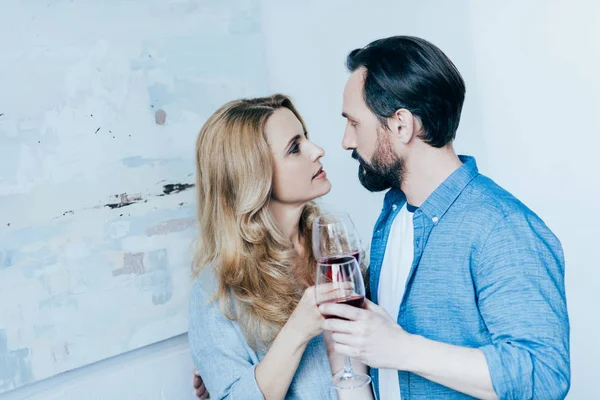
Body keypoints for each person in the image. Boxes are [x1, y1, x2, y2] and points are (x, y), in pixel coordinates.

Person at [319, 36, 570, 399]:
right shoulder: (391, 218)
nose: (346, 141)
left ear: (402, 125)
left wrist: (402, 349)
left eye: (354, 123)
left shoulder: (501, 227)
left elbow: (544, 376)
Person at [188, 94, 374, 400]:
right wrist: (298, 330)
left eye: (306, 138)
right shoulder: (218, 291)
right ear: (253, 175)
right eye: (294, 147)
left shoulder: (334, 247)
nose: (317, 151)